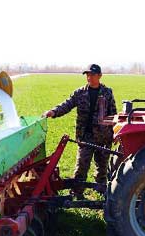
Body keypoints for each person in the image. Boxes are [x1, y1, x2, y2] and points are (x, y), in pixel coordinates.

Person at [44, 64, 117, 199]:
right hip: (85, 137)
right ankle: (77, 192)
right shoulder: (80, 93)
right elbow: (67, 104)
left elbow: (113, 114)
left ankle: (101, 190)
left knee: (102, 167)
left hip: (103, 137)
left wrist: (114, 133)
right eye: (87, 75)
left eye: (92, 75)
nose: (89, 77)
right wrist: (53, 112)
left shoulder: (107, 93)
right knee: (81, 166)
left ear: (100, 76)